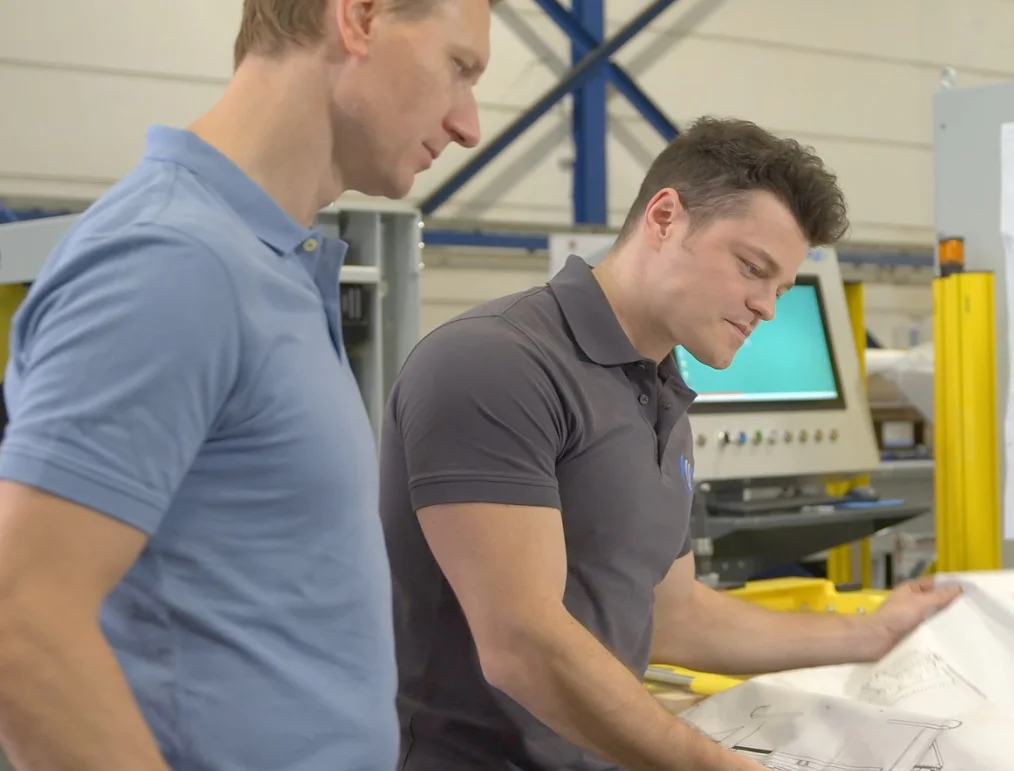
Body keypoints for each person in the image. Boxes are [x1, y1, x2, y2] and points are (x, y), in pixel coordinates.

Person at [380, 116, 963, 771]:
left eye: (779, 287)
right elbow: (522, 643)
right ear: (664, 218)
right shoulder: (494, 362)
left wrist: (868, 633)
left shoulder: (659, 394)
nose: (766, 306)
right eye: (752, 268)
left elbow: (676, 614)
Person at [0, 1, 492, 769]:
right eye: (459, 68)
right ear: (358, 18)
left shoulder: (264, 264)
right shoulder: (173, 261)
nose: (469, 124)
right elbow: (20, 620)